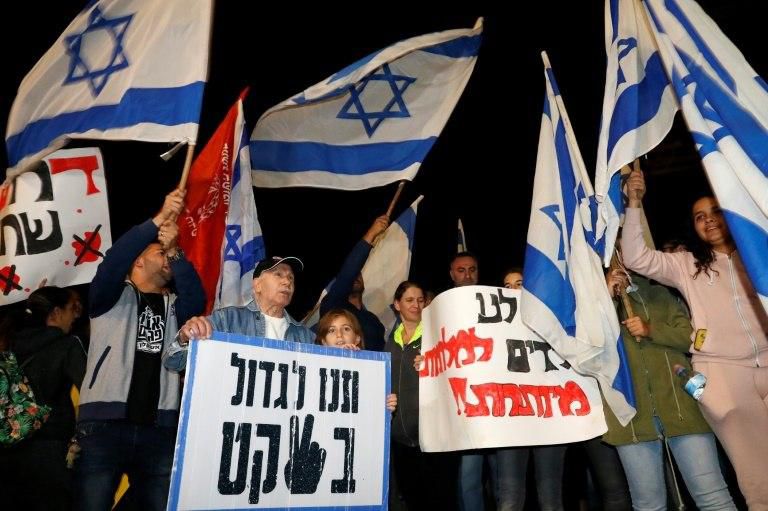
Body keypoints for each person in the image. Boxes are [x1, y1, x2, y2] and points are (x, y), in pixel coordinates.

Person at [622, 169, 768, 508]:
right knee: (757, 477)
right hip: (725, 379)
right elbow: (636, 258)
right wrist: (634, 202)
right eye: (699, 217)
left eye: (716, 212)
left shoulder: (759, 255)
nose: (708, 220)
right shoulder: (687, 265)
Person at [74, 189, 206, 511]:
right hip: (105, 425)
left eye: (168, 256)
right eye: (159, 253)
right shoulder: (109, 295)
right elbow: (114, 259)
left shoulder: (176, 307)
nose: (167, 260)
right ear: (138, 260)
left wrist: (175, 250)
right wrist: (158, 220)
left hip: (160, 430)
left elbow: (197, 301)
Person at [604, 266, 735, 510]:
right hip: (630, 417)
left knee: (712, 496)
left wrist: (650, 329)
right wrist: (604, 296)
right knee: (648, 504)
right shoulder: (595, 304)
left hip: (681, 406)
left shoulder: (659, 293)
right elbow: (586, 345)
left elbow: (691, 337)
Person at [0, 286, 86, 511]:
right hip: (51, 453)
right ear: (56, 313)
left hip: (7, 450)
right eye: (71, 309)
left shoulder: (8, 343)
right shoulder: (67, 345)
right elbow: (88, 390)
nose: (75, 316)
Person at [169, 255, 314, 368]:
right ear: (257, 285)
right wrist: (185, 337)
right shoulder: (227, 320)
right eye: (278, 275)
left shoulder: (306, 337)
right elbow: (173, 361)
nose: (287, 282)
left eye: (291, 278)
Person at [387, 281, 458, 510]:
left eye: (420, 300)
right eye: (409, 300)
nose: (416, 305)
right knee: (412, 498)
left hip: (435, 440)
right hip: (401, 440)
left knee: (441, 500)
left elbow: (457, 371)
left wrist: (436, 363)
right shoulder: (390, 340)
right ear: (397, 304)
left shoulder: (438, 335)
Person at [319, 216, 389, 351]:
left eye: (359, 275)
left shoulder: (373, 320)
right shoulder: (333, 305)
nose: (355, 277)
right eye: (353, 275)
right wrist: (371, 234)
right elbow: (348, 272)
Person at [315, 308, 397, 412]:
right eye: (331, 330)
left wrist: (386, 407)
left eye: (346, 329)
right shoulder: (314, 373)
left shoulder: (372, 372)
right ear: (324, 342)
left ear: (357, 338)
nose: (339, 335)